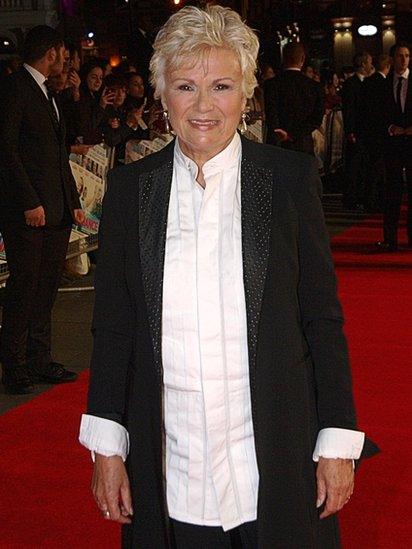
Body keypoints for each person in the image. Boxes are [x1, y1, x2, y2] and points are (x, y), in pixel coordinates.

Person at [79, 6, 378, 548]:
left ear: (245, 94)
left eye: (220, 85)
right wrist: (106, 448)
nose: (202, 106)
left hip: (274, 452)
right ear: (161, 95)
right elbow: (115, 330)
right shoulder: (131, 191)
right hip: (172, 458)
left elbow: (321, 317)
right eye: (185, 86)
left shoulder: (288, 180)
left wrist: (336, 440)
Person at [0, 26, 84, 395]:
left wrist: (74, 203)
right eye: (62, 53)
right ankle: (14, 365)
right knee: (24, 288)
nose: (65, 61)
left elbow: (57, 152)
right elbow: (6, 151)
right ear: (50, 52)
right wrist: (29, 201)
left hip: (56, 210)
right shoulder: (14, 88)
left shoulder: (49, 92)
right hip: (28, 212)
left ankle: (39, 358)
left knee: (46, 287)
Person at [376, 43, 412, 251]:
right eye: (400, 56)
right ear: (392, 59)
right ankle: (390, 238)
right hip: (392, 145)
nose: (404, 60)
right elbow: (377, 113)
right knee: (392, 192)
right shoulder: (383, 83)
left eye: (407, 56)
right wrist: (391, 127)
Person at [264, 42, 324, 155]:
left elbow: (270, 113)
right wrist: (293, 134)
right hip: (303, 144)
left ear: (283, 57)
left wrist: (281, 133)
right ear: (303, 59)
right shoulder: (315, 87)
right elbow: (316, 119)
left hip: (277, 144)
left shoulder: (271, 85)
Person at [341, 51, 374, 209]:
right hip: (356, 132)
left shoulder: (368, 83)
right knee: (353, 166)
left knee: (364, 166)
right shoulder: (350, 84)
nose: (371, 66)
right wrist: (350, 132)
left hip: (367, 132)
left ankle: (361, 196)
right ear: (363, 64)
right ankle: (350, 199)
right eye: (369, 63)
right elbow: (348, 110)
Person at [362, 54, 392, 213]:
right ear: (388, 66)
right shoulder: (386, 84)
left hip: (368, 131)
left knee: (371, 167)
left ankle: (370, 199)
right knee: (379, 169)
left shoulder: (367, 82)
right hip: (381, 132)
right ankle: (376, 200)